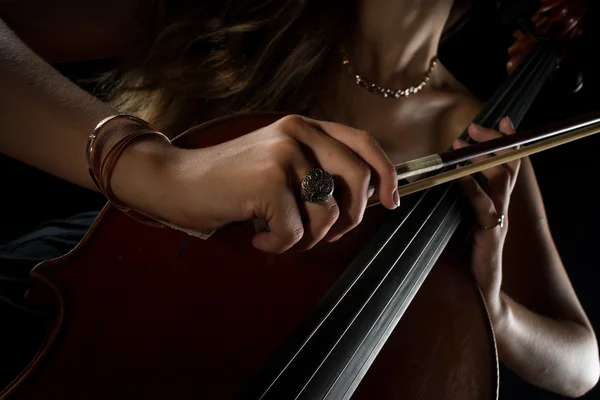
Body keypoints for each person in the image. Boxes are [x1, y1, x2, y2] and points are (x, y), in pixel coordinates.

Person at [1, 0, 599, 397]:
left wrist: (493, 313)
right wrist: (155, 167)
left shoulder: (478, 135)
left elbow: (581, 362)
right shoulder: (237, 12)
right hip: (99, 321)